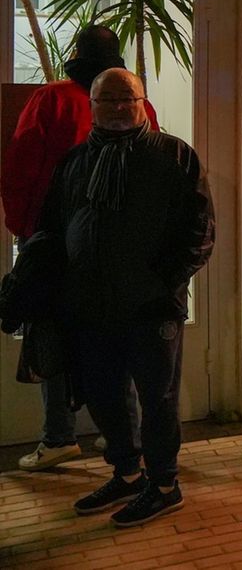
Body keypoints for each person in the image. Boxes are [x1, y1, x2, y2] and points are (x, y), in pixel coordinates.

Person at [37, 68, 213, 527]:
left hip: (154, 307)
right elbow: (54, 226)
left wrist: (163, 283)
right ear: (92, 106)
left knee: (158, 399)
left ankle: (165, 485)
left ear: (141, 103)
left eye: (126, 98)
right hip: (92, 306)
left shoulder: (173, 155)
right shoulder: (76, 161)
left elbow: (200, 231)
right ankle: (128, 474)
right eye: (107, 99)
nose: (117, 107)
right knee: (104, 395)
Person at [2, 25, 150, 471]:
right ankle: (123, 434)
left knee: (51, 334)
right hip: (117, 245)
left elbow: (21, 164)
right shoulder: (137, 103)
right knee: (117, 336)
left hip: (54, 241)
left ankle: (58, 436)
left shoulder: (51, 99)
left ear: (76, 56)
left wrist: (22, 227)